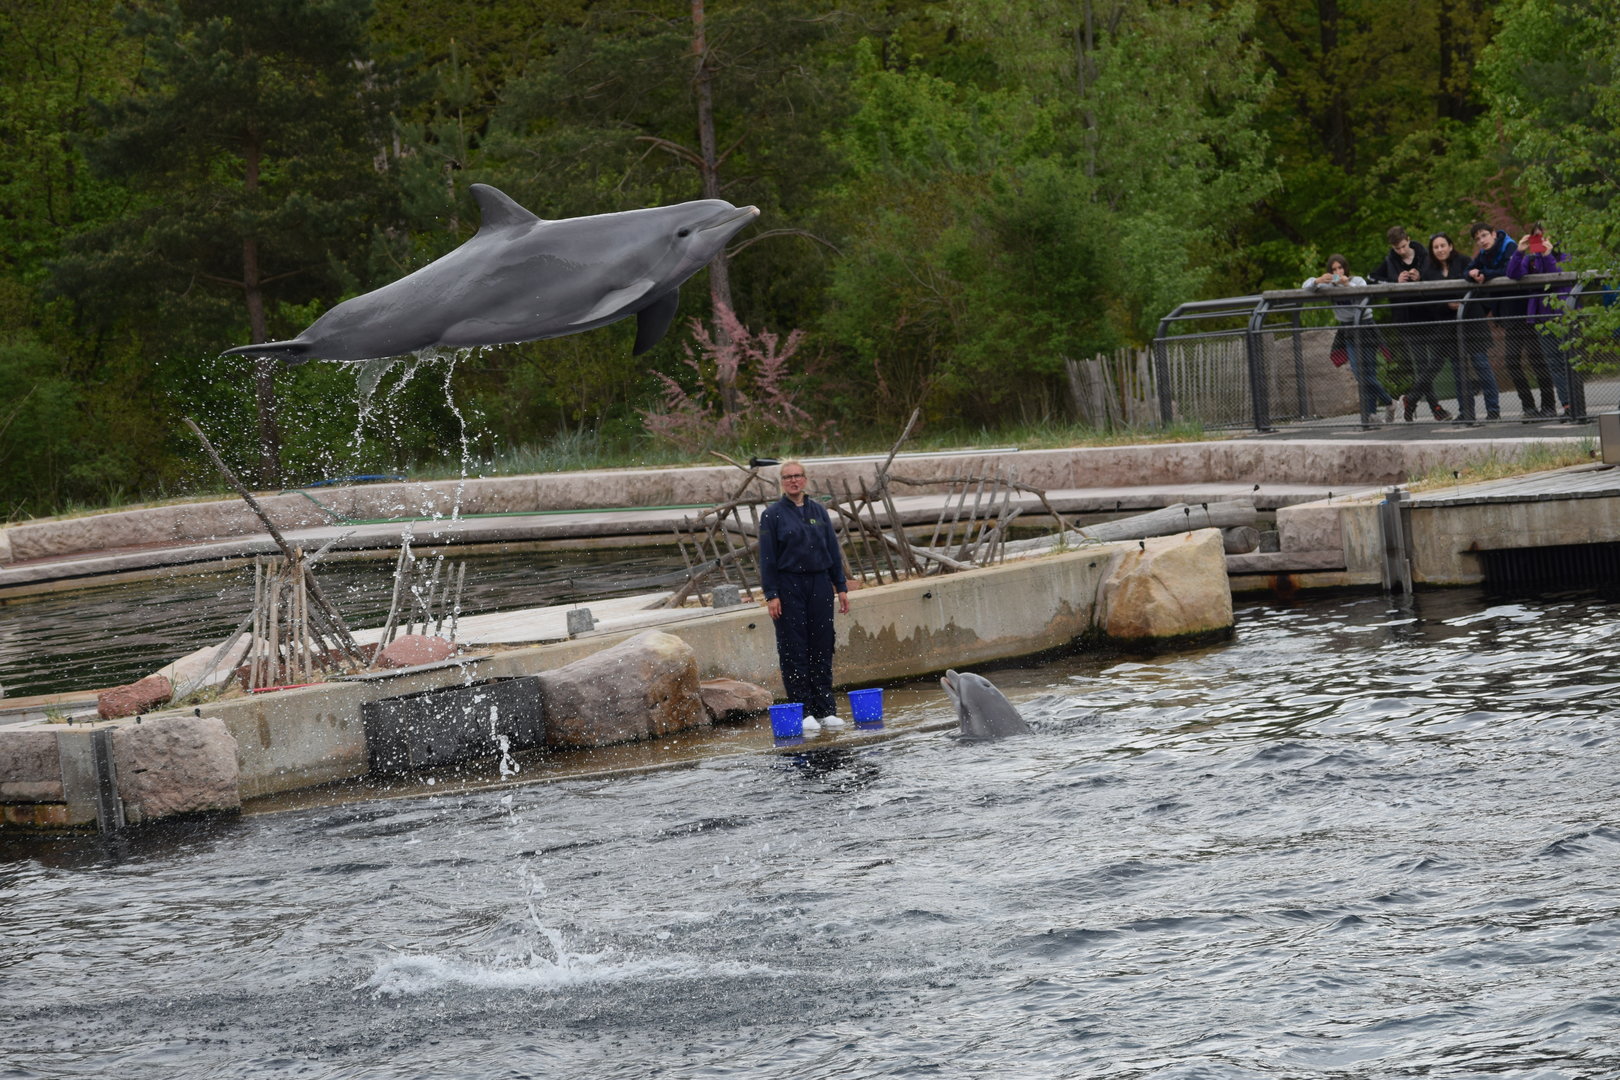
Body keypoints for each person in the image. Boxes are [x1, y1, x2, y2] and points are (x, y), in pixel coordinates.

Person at [758, 461, 849, 734]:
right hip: (789, 585)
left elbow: (832, 550)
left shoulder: (818, 511)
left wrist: (840, 586)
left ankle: (825, 709)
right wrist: (771, 594)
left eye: (797, 476)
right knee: (794, 647)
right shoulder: (772, 516)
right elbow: (767, 558)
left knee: (822, 644)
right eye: (788, 477)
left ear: (805, 480)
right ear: (782, 483)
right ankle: (803, 708)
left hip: (819, 583)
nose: (793, 481)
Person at [1466, 221, 1549, 418]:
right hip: (1507, 314)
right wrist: (1473, 274)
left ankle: (1548, 405)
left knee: (1537, 360)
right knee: (1512, 361)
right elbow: (1470, 269)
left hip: (1524, 310)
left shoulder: (1510, 246)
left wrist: (1485, 274)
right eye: (1478, 239)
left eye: (1484, 235)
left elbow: (1509, 271)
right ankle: (1528, 406)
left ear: (1493, 234)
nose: (1482, 241)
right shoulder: (1484, 255)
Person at [1304, 254, 1394, 425]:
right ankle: (1389, 401)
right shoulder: (1327, 284)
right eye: (1334, 269)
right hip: (1348, 329)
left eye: (1340, 268)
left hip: (1365, 325)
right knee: (1358, 371)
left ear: (1345, 268)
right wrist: (1318, 280)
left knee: (1370, 372)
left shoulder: (1357, 281)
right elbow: (1306, 287)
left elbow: (1364, 295)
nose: (1338, 272)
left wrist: (1346, 283)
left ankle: (1371, 416)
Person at [1421, 233, 1498, 421]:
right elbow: (1429, 300)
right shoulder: (1429, 270)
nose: (1440, 250)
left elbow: (1479, 288)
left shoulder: (1464, 261)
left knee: (1481, 366)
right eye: (1436, 247)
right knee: (1458, 370)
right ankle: (1466, 413)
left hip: (1472, 322)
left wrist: (1465, 303)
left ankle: (1493, 411)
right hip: (1449, 328)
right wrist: (1447, 304)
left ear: (1450, 245)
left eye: (1443, 245)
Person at [1505, 223, 1577, 420]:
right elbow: (1513, 274)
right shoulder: (1530, 260)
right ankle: (1568, 405)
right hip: (1541, 318)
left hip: (1563, 316)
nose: (1540, 240)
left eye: (1543, 236)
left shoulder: (1564, 256)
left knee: (1569, 362)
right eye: (1536, 237)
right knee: (1553, 363)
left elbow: (1555, 277)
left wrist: (1547, 255)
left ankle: (1578, 403)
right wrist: (1519, 251)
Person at [1374, 226, 1446, 421]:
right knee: (1421, 365)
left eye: (1404, 246)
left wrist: (1420, 277)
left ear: (1409, 240)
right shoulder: (1390, 260)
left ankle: (1411, 398)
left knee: (1439, 358)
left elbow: (1439, 274)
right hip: (1406, 320)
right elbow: (1372, 279)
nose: (1401, 251)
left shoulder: (1425, 254)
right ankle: (1436, 408)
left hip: (1430, 316)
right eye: (1397, 248)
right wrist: (1394, 281)